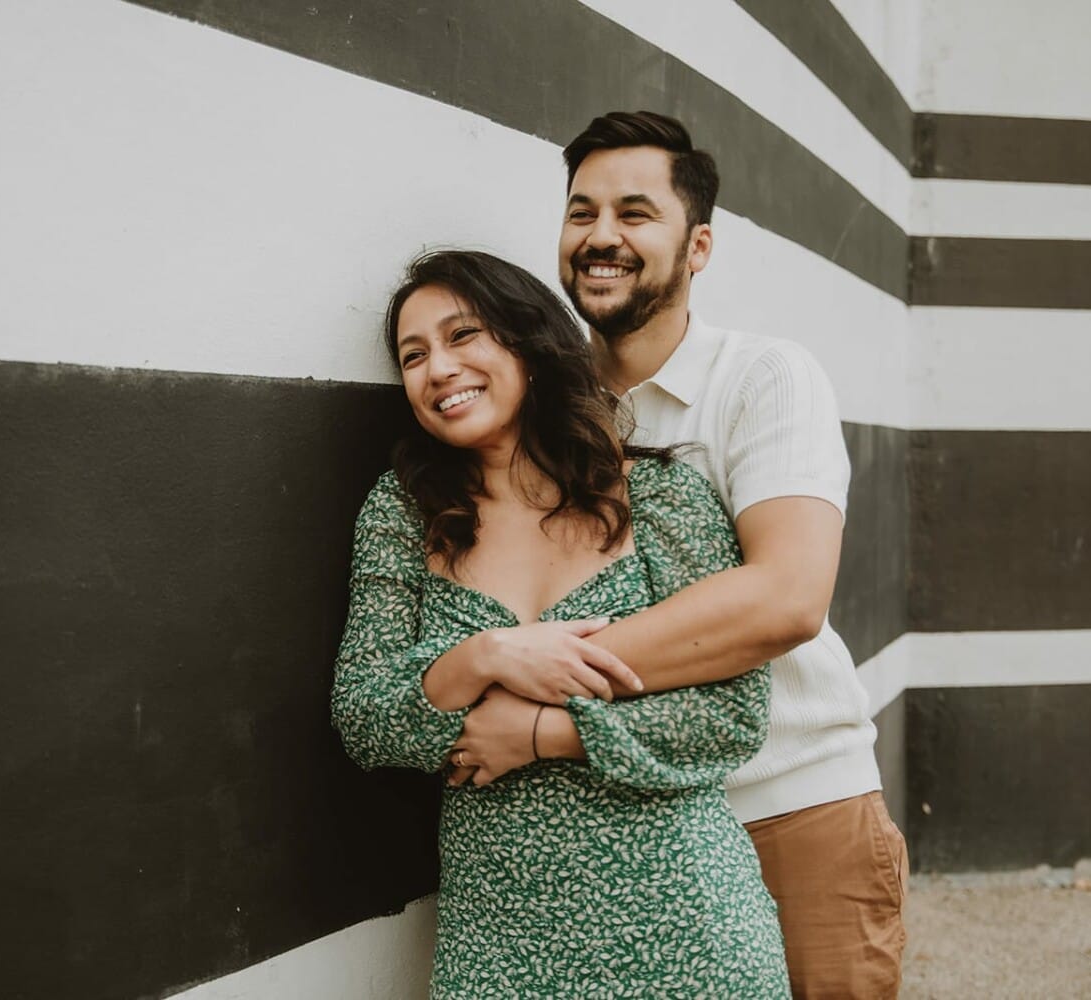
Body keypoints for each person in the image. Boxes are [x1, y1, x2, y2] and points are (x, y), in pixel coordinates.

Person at [331, 250, 789, 998]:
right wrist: (487, 656)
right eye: (413, 356)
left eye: (462, 336)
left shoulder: (664, 497)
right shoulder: (403, 513)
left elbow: (731, 717)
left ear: (529, 344)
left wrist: (541, 734)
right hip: (501, 943)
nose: (437, 368)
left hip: (687, 926)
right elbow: (364, 715)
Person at [525, 110, 907, 998]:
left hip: (789, 804)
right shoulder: (540, 410)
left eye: (634, 212)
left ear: (698, 247)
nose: (601, 237)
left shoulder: (764, 378)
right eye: (581, 213)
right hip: (628, 826)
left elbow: (784, 599)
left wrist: (546, 702)